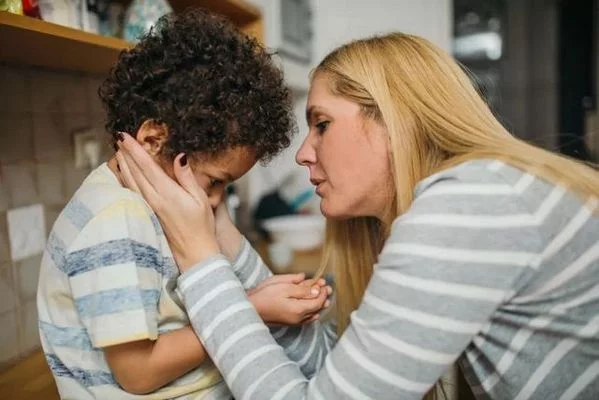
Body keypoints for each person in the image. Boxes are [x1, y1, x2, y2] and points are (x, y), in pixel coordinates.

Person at [116, 32, 599, 399]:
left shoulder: (468, 206)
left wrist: (200, 260)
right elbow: (336, 372)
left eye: (322, 124)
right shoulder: (464, 198)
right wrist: (219, 233)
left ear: (394, 119)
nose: (304, 153)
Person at [37, 8, 330, 400]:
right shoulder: (115, 220)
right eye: (215, 183)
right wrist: (252, 308)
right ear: (152, 141)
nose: (213, 201)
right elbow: (138, 373)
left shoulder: (147, 211)